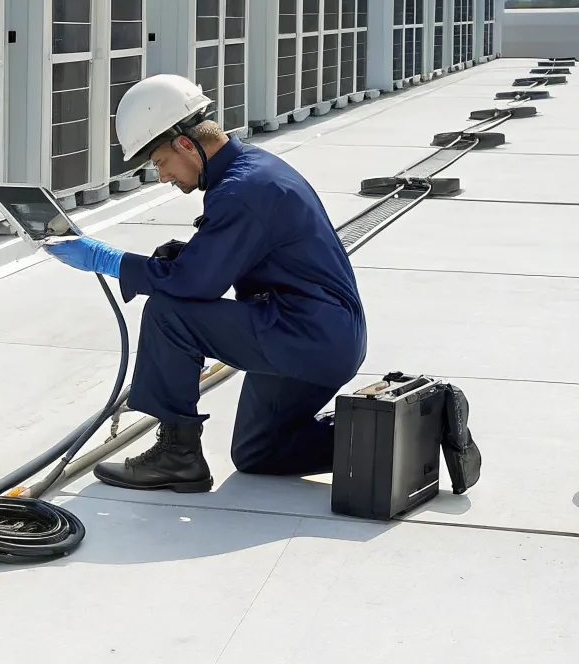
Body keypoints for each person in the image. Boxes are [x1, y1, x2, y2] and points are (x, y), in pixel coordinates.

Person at [44, 73, 476, 494]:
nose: (162, 176)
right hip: (320, 335)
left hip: (303, 334)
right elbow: (236, 254)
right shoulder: (252, 170)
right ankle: (411, 425)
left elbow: (195, 286)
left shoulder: (241, 190)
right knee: (259, 453)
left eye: (160, 162)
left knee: (169, 312)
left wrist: (105, 259)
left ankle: (178, 456)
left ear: (185, 144)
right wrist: (189, 254)